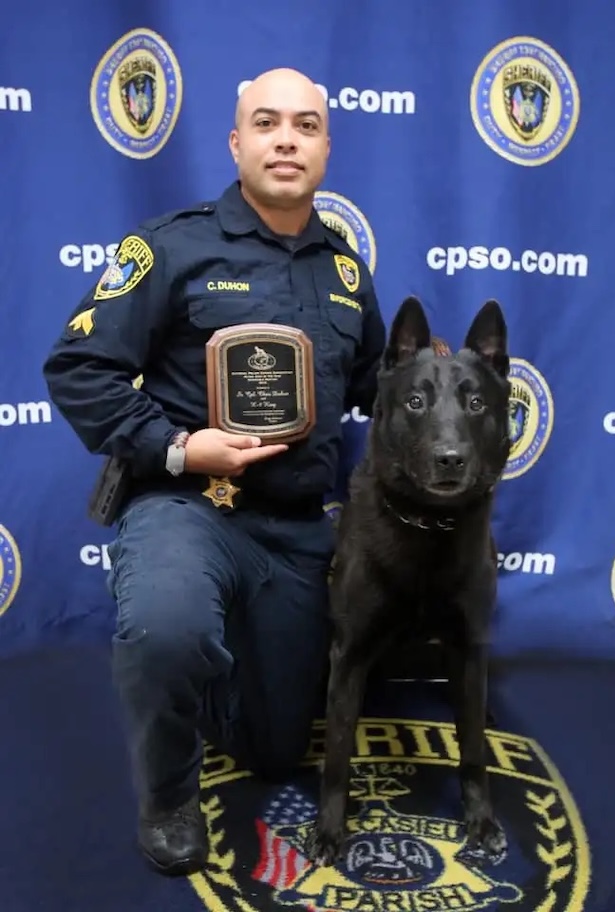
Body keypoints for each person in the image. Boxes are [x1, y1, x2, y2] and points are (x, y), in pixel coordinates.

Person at [42, 67, 387, 877]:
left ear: (328, 148)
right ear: (237, 142)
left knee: (273, 750)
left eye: (306, 126)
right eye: (266, 123)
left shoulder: (346, 273)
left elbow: (377, 383)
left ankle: (215, 654)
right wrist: (177, 446)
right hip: (185, 503)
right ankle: (166, 791)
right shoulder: (167, 246)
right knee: (166, 625)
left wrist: (444, 387)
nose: (286, 140)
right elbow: (79, 367)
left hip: (299, 528)